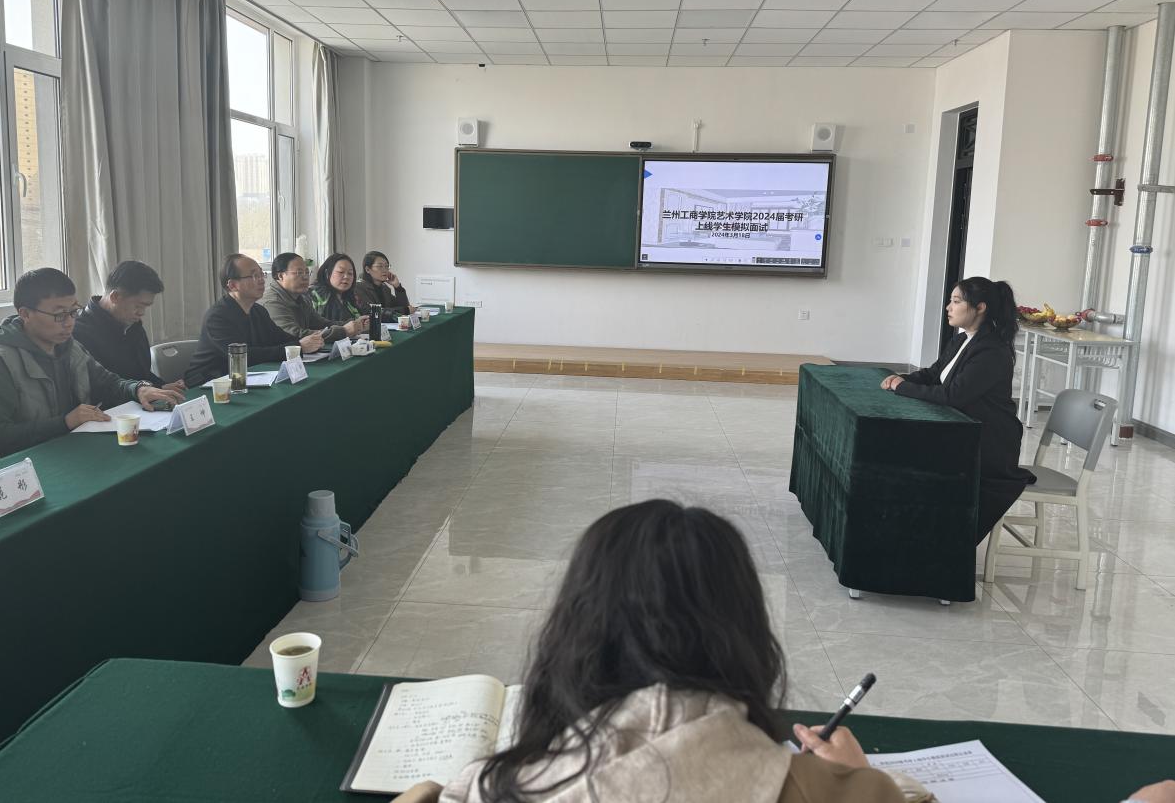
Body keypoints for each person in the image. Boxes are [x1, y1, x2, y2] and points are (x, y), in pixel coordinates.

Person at [394, 500, 928, 803]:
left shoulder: (495, 787)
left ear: (577, 636)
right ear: (745, 633)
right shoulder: (845, 793)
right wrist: (863, 779)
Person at [880, 277, 1035, 543]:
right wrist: (902, 378)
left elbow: (953, 395)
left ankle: (928, 538)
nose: (948, 307)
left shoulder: (991, 350)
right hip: (964, 429)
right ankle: (909, 532)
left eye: (956, 301)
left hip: (990, 442)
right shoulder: (962, 339)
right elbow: (933, 374)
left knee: (916, 461)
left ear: (980, 307)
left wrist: (902, 388)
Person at [0, 268, 185, 456]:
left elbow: (108, 383)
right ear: (25, 313)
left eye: (73, 312)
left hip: (76, 449)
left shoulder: (69, 346)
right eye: (59, 315)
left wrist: (138, 389)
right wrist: (65, 422)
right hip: (33, 462)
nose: (70, 323)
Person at [185, 254, 324, 387]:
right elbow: (244, 356)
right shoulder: (217, 317)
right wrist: (298, 347)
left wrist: (309, 342)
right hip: (210, 382)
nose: (262, 280)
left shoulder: (258, 310)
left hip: (246, 378)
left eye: (261, 274)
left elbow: (280, 338)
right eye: (254, 276)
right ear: (233, 285)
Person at [73, 259, 183, 391]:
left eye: (146, 307)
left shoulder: (133, 325)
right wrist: (150, 390)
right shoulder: (79, 333)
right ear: (115, 297)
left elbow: (141, 374)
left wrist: (161, 386)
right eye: (138, 306)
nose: (142, 313)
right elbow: (100, 387)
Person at [261, 252, 366, 342]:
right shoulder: (273, 301)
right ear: (280, 276)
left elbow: (321, 323)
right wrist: (343, 331)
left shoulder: (301, 298)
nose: (305, 277)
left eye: (307, 272)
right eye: (299, 273)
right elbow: (294, 334)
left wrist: (355, 324)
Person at [310, 253, 370, 331]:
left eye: (350, 273)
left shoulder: (351, 297)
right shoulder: (314, 294)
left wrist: (364, 323)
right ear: (327, 273)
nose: (346, 277)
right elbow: (314, 325)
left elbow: (359, 320)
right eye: (341, 272)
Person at [355, 250, 411, 318]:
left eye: (387, 266)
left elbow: (404, 308)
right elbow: (373, 312)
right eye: (380, 266)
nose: (385, 270)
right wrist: (404, 310)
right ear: (367, 269)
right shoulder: (358, 288)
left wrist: (398, 287)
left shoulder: (385, 288)